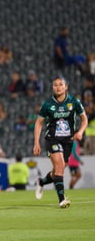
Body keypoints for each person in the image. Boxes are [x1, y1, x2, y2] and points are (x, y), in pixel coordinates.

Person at [33, 76, 87, 208]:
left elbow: (84, 119)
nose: (58, 87)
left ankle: (41, 182)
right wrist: (36, 143)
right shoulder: (47, 104)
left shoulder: (74, 102)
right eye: (55, 85)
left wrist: (80, 132)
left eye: (60, 84)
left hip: (68, 140)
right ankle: (62, 200)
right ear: (52, 87)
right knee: (59, 166)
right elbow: (39, 123)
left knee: (59, 169)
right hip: (52, 139)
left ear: (66, 87)